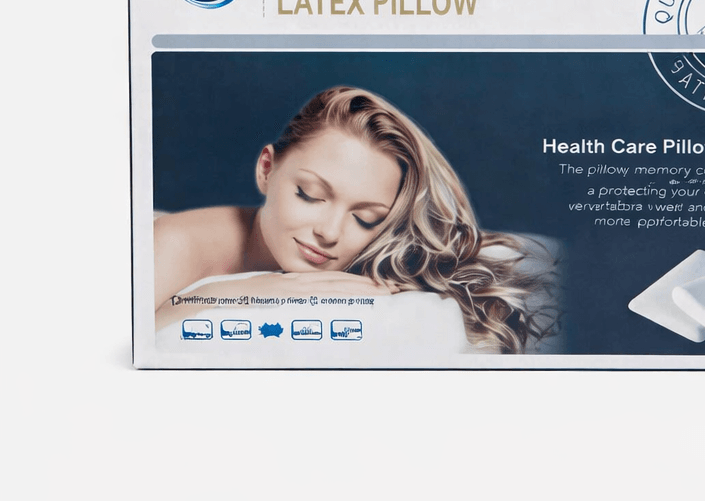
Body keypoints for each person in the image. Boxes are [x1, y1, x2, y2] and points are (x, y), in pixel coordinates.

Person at [154, 85, 557, 353]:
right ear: (266, 169)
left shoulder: (370, 260)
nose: (329, 232)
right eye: (309, 195)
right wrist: (238, 292)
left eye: (365, 218)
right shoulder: (173, 245)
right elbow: (128, 346)